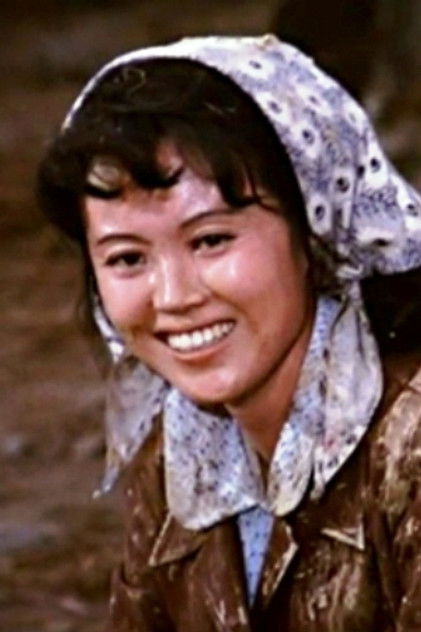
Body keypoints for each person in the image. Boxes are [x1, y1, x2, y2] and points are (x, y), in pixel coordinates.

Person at [37, 35, 421, 631]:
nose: (173, 297)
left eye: (211, 240)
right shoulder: (180, 454)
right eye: (127, 258)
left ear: (313, 234)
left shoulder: (410, 448)